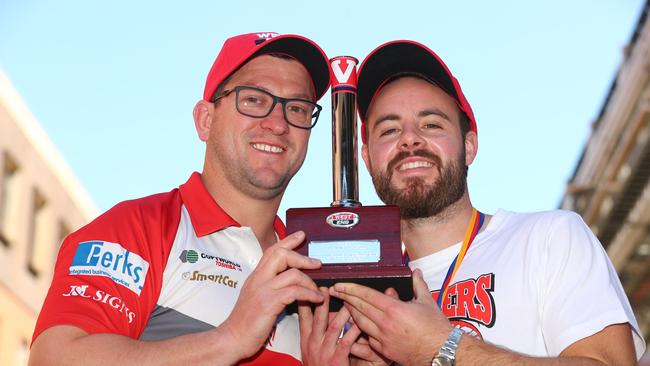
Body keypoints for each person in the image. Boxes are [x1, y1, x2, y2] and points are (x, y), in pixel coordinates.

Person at [312, 40, 647, 365]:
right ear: (367, 158)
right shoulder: (362, 291)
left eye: (431, 124)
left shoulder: (549, 238)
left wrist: (441, 347)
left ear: (469, 145)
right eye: (389, 130)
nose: (410, 139)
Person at [29, 32, 332, 366]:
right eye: (255, 100)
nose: (277, 123)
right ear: (205, 120)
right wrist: (229, 339)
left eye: (298, 108)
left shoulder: (313, 264)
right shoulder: (138, 228)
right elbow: (54, 359)